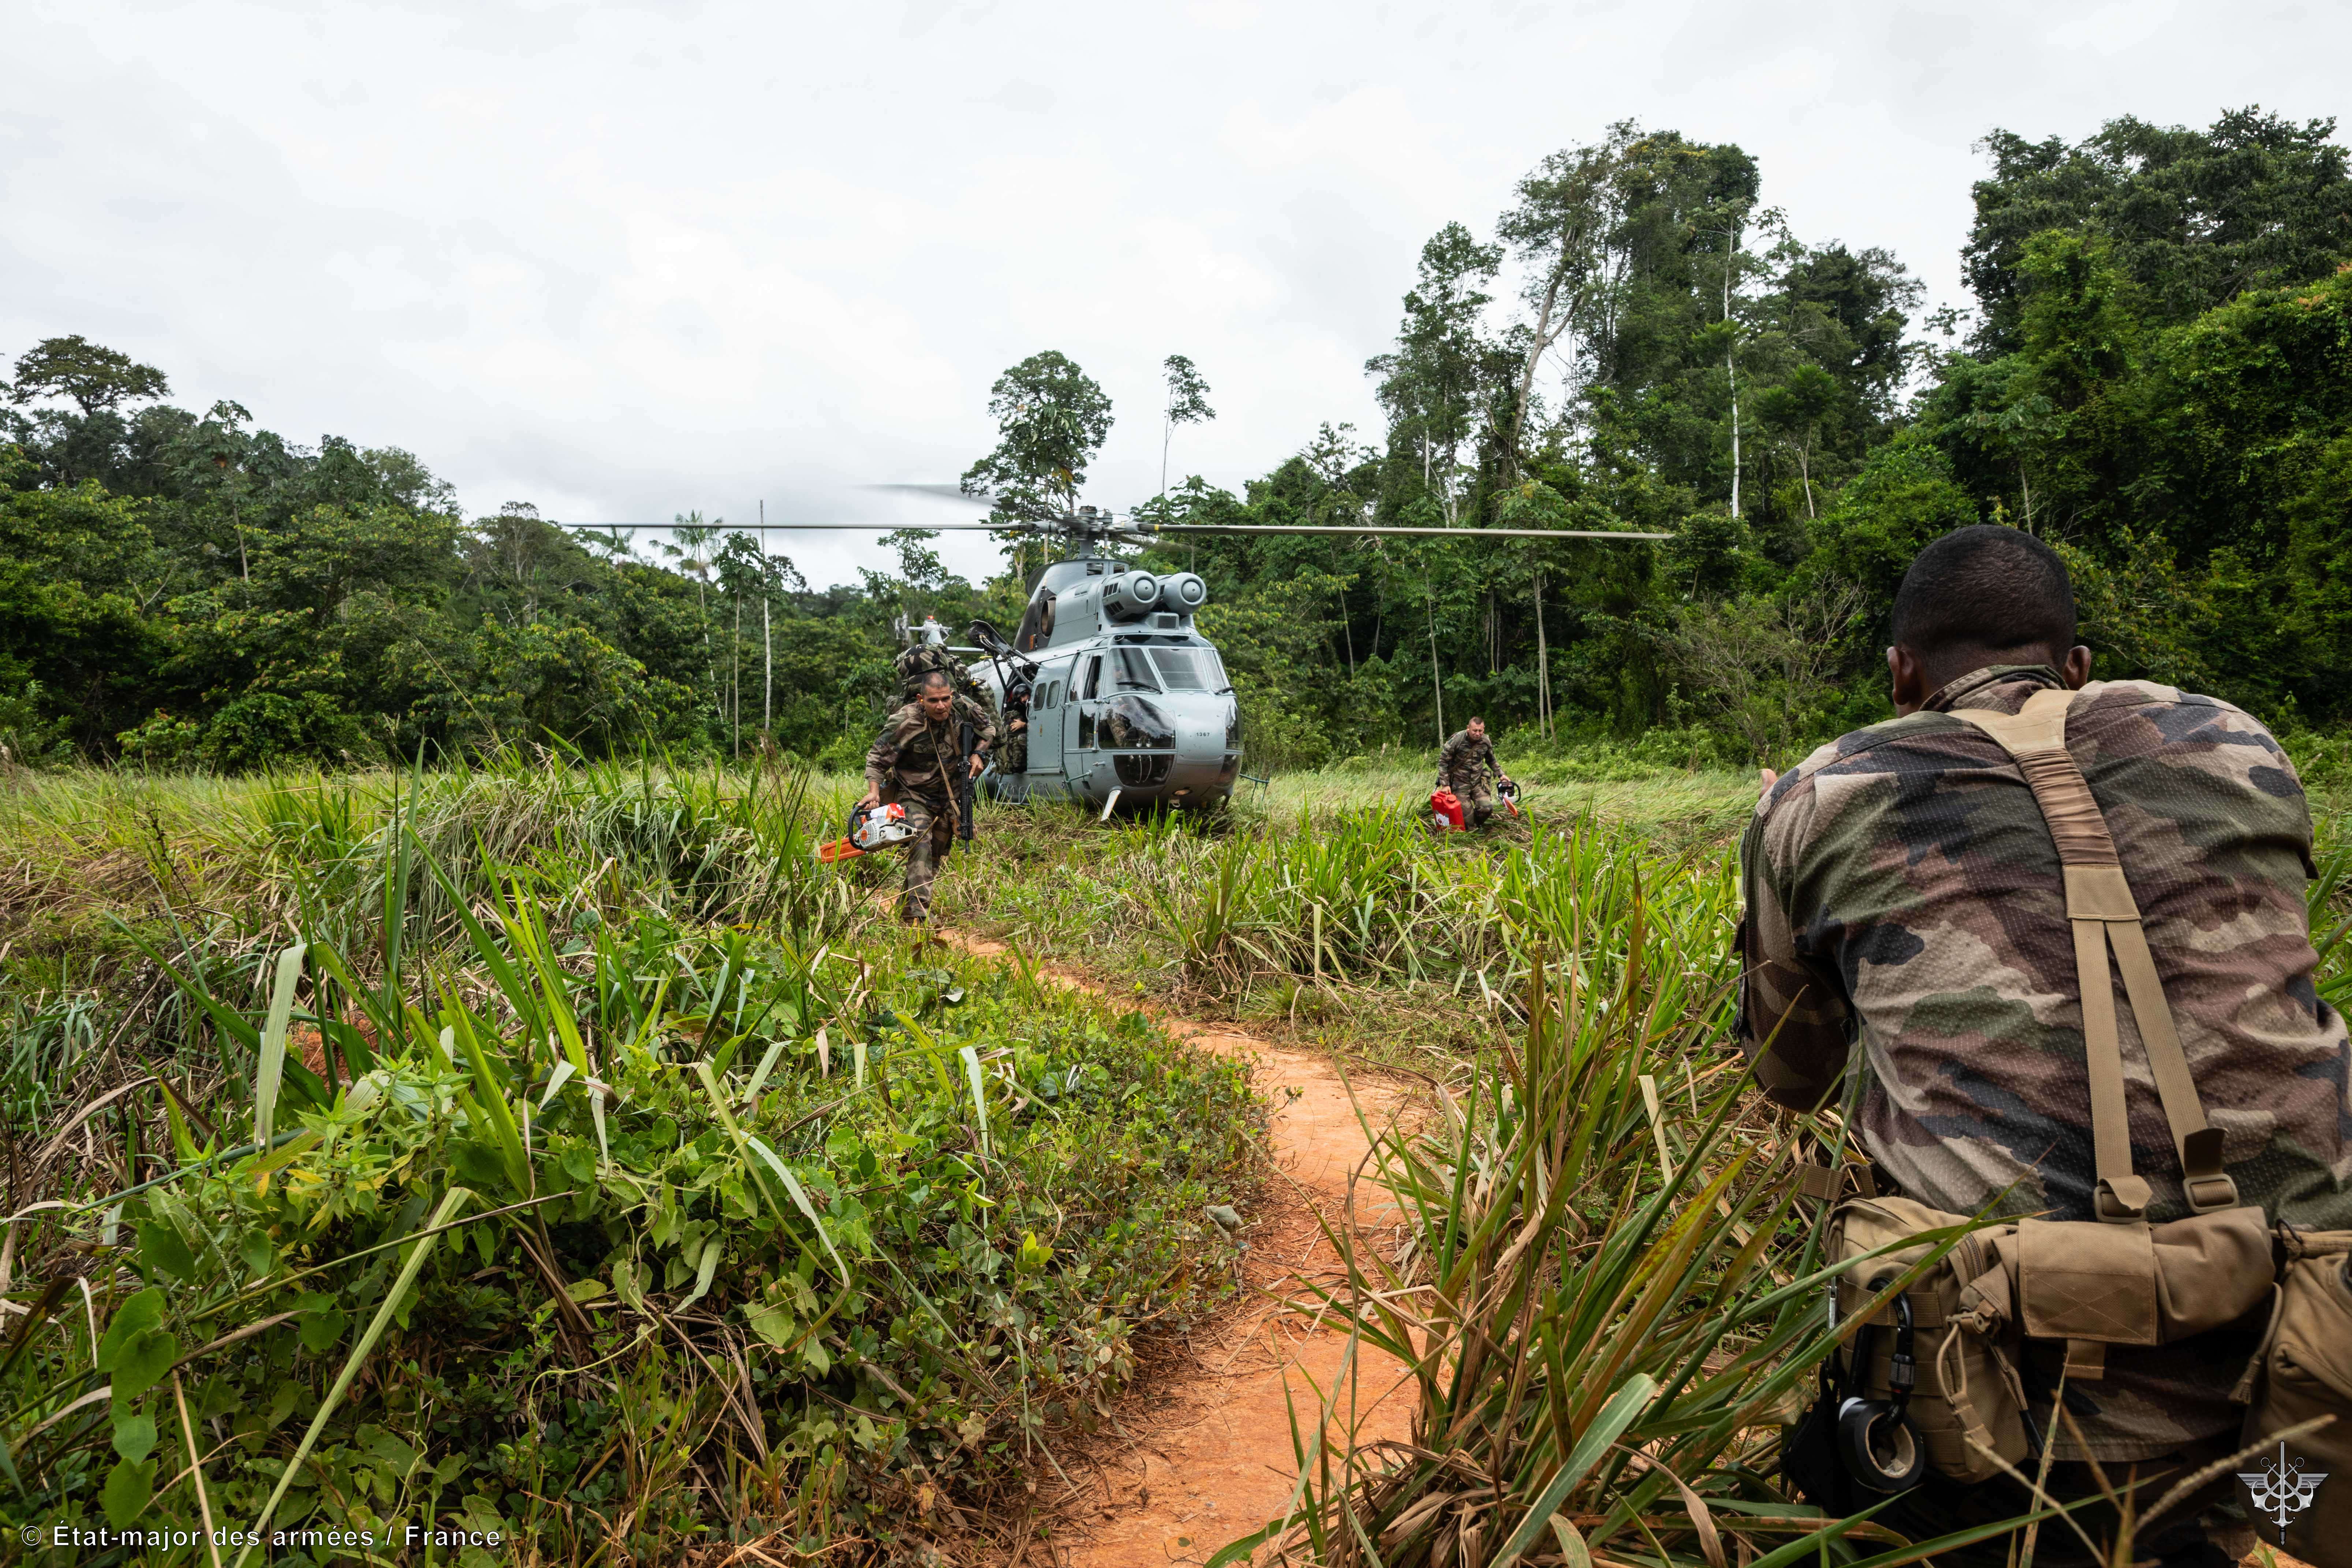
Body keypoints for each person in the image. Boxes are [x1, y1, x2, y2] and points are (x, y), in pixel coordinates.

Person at [1739, 525, 2349, 1566]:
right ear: (2075, 663)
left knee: (1835, 1459)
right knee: (2269, 1525)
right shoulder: (2240, 742)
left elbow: (1786, 1075)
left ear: (1902, 674)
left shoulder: (1819, 792)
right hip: (2302, 1376)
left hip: (1998, 1414)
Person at [861, 672, 988, 926]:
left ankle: (906, 911)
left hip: (951, 795)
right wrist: (874, 792)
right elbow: (877, 757)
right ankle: (920, 916)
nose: (941, 706)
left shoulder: (964, 709)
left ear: (952, 695)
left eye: (945, 699)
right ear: (921, 699)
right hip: (914, 793)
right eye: (933, 701)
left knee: (933, 856)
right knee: (921, 839)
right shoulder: (905, 721)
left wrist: (978, 753)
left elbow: (990, 729)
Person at [1436, 716, 1512, 826]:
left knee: (1487, 809)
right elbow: (1443, 762)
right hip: (1460, 784)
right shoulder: (1458, 740)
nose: (1478, 733)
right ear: (1468, 728)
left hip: (1477, 783)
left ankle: (1473, 826)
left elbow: (1491, 760)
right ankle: (1470, 827)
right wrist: (1445, 785)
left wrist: (1501, 774)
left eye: (1480, 731)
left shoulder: (1485, 741)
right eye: (1475, 731)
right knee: (1467, 820)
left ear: (1484, 729)